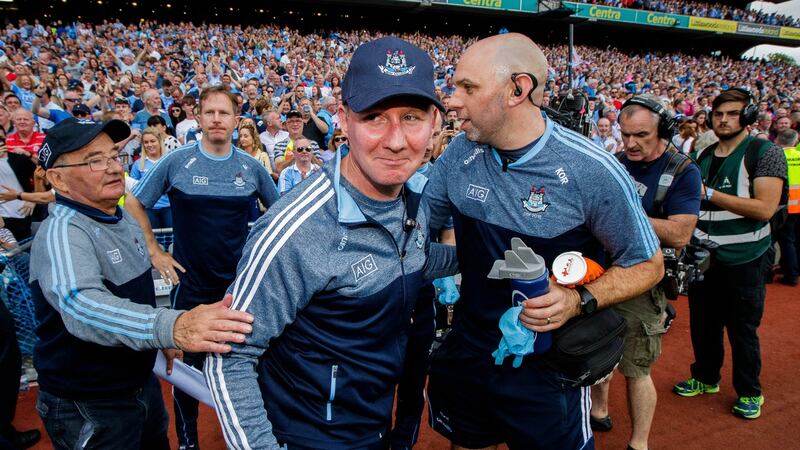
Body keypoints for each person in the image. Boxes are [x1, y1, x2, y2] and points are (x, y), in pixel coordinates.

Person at [206, 36, 458, 450]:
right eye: (374, 117)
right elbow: (228, 358)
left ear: (434, 123)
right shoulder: (296, 227)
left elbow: (408, 256)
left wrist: (481, 257)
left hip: (375, 423)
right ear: (343, 120)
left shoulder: (415, 195)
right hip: (309, 436)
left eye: (411, 117)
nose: (396, 140)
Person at [423, 33, 663, 450]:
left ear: (518, 89)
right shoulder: (459, 153)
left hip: (548, 368)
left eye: (468, 88)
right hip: (469, 349)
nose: (452, 100)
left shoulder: (592, 169)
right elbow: (421, 229)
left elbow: (648, 263)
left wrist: (578, 299)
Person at [29, 117, 256, 450]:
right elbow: (81, 307)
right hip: (91, 402)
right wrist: (171, 327)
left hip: (139, 384)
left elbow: (135, 299)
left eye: (114, 156)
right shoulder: (63, 232)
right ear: (58, 179)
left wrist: (156, 340)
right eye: (95, 161)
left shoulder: (122, 219)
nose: (113, 168)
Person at [126, 85, 279, 450]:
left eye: (224, 113)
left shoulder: (251, 167)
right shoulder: (177, 161)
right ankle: (188, 441)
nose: (216, 119)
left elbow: (278, 213)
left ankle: (246, 437)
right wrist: (154, 251)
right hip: (189, 285)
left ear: (236, 120)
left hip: (237, 289)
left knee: (247, 366)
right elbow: (133, 202)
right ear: (197, 117)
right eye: (209, 112)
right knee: (184, 369)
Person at [590, 95, 702, 450]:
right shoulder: (618, 162)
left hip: (643, 279)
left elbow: (680, 233)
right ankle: (599, 410)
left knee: (636, 368)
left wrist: (621, 216)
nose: (630, 143)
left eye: (641, 135)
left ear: (663, 131)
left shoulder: (683, 171)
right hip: (603, 272)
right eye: (625, 134)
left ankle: (639, 443)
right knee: (597, 352)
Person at [673, 88, 787, 420]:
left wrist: (708, 193)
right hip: (704, 257)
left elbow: (764, 208)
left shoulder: (765, 152)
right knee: (703, 323)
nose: (724, 120)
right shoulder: (703, 153)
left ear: (748, 117)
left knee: (742, 328)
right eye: (719, 114)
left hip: (746, 257)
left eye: (733, 113)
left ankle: (750, 391)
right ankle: (706, 377)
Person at [129, 127, 172, 229]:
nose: (149, 145)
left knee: (172, 237)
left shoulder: (169, 160)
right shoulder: (138, 164)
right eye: (146, 142)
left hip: (169, 207)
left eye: (152, 141)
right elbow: (133, 189)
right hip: (148, 209)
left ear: (159, 141)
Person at [0, 126, 36, 241]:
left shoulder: (18, 159)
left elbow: (41, 176)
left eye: (1, 138)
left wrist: (33, 199)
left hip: (23, 213)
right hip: (2, 218)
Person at [775, 128, 799, 286]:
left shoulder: (778, 157)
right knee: (794, 239)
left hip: (785, 206)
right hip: (797, 205)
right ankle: (792, 268)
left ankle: (791, 274)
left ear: (777, 140)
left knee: (786, 241)